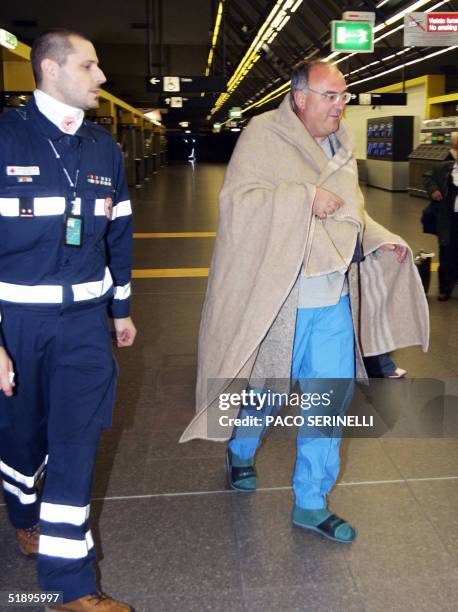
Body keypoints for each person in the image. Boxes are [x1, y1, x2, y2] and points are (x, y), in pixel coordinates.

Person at [180, 60, 429, 543]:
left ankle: (311, 502)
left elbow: (352, 210)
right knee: (268, 393)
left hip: (332, 299)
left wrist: (380, 237)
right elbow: (237, 203)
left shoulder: (341, 146)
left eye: (344, 96)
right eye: (331, 95)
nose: (342, 105)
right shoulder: (263, 136)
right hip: (281, 299)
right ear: (300, 98)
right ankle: (240, 448)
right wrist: (302, 197)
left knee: (328, 402)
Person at [0, 30, 136, 611]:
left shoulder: (105, 148)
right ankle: (23, 511)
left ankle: (68, 586)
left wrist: (121, 309)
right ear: (51, 70)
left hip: (84, 322)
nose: (100, 78)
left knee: (76, 445)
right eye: (89, 66)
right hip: (14, 323)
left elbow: (120, 232)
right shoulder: (5, 138)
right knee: (19, 437)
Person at [424, 132, 458, 301]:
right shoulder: (444, 168)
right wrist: (434, 191)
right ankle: (445, 288)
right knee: (446, 250)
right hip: (448, 218)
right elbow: (428, 178)